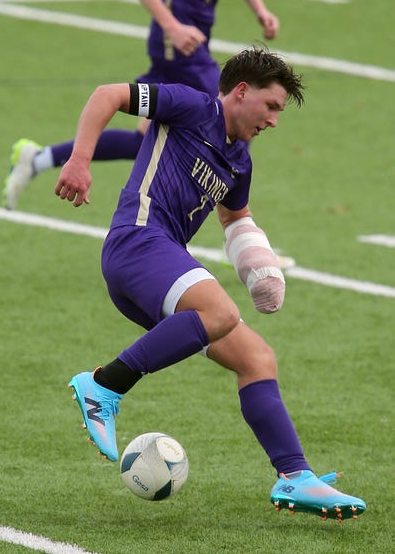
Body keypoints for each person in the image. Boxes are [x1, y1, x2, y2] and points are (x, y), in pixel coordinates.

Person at [56, 47, 365, 522]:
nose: (275, 121)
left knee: (256, 358)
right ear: (242, 91)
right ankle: (102, 385)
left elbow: (236, 217)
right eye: (272, 106)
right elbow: (108, 95)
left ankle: (295, 476)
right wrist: (80, 159)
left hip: (162, 262)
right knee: (218, 313)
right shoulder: (191, 105)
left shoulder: (240, 160)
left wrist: (258, 266)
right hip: (136, 243)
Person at [2, 0, 279, 211]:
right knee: (233, 120)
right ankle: (235, 229)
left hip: (196, 43)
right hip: (175, 45)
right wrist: (173, 27)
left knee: (144, 140)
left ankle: (38, 159)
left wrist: (260, 9)